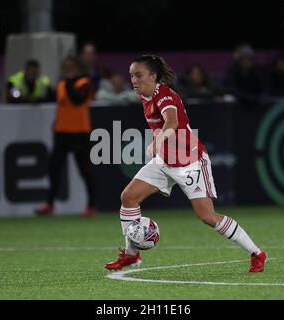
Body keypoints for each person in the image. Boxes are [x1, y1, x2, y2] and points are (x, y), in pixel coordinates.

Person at [104, 55, 267, 272]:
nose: (134, 80)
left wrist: (158, 139)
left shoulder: (165, 97)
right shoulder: (146, 95)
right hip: (165, 160)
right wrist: (158, 140)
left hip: (190, 162)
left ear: (153, 76)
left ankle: (256, 252)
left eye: (139, 75)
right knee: (129, 197)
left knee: (207, 217)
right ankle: (132, 256)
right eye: (132, 75)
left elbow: (172, 121)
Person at [35, 56, 97, 217]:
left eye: (71, 66)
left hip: (79, 133)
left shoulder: (84, 83)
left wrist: (69, 81)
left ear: (78, 68)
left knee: (84, 170)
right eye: (65, 67)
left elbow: (77, 100)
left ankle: (91, 205)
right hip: (62, 132)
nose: (68, 69)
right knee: (54, 169)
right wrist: (55, 127)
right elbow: (62, 107)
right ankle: (49, 204)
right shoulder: (62, 84)